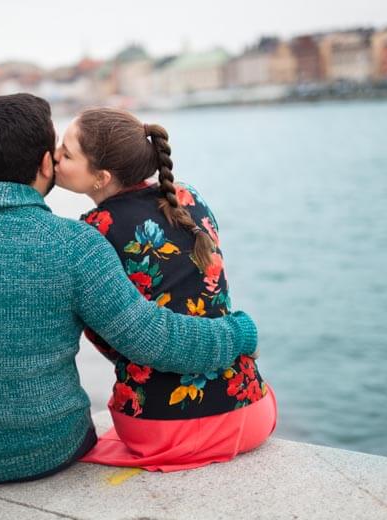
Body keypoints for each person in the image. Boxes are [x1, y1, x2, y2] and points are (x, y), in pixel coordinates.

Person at [0, 93, 259, 486]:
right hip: (46, 448)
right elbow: (154, 340)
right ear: (44, 164)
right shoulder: (74, 244)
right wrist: (239, 332)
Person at [53, 107, 276, 471]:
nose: (55, 156)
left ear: (101, 177)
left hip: (158, 425)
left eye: (66, 152)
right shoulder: (188, 197)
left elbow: (106, 334)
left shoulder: (93, 231)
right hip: (251, 411)